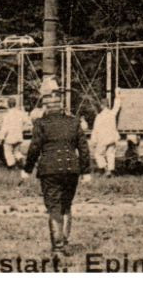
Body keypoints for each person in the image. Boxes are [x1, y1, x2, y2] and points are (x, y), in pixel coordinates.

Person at [20, 91, 91, 256]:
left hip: (49, 171)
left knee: (54, 207)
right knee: (66, 205)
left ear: (45, 107)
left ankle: (58, 248)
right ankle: (64, 242)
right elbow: (84, 148)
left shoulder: (41, 123)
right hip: (71, 170)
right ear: (61, 106)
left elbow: (34, 148)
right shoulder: (74, 122)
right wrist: (86, 171)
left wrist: (27, 170)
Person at [90, 98, 122, 176]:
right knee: (110, 154)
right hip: (112, 138)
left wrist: (93, 141)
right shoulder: (112, 113)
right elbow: (117, 106)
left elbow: (95, 129)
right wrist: (118, 95)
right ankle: (111, 170)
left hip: (103, 139)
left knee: (98, 154)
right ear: (108, 105)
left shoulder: (99, 116)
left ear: (102, 106)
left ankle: (105, 168)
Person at [0, 98, 30, 168]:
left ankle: (11, 164)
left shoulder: (6, 115)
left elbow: (4, 128)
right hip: (18, 135)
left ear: (8, 105)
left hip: (9, 137)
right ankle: (20, 157)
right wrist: (23, 129)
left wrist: (1, 138)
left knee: (7, 151)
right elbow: (27, 122)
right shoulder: (20, 113)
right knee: (16, 151)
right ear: (15, 104)